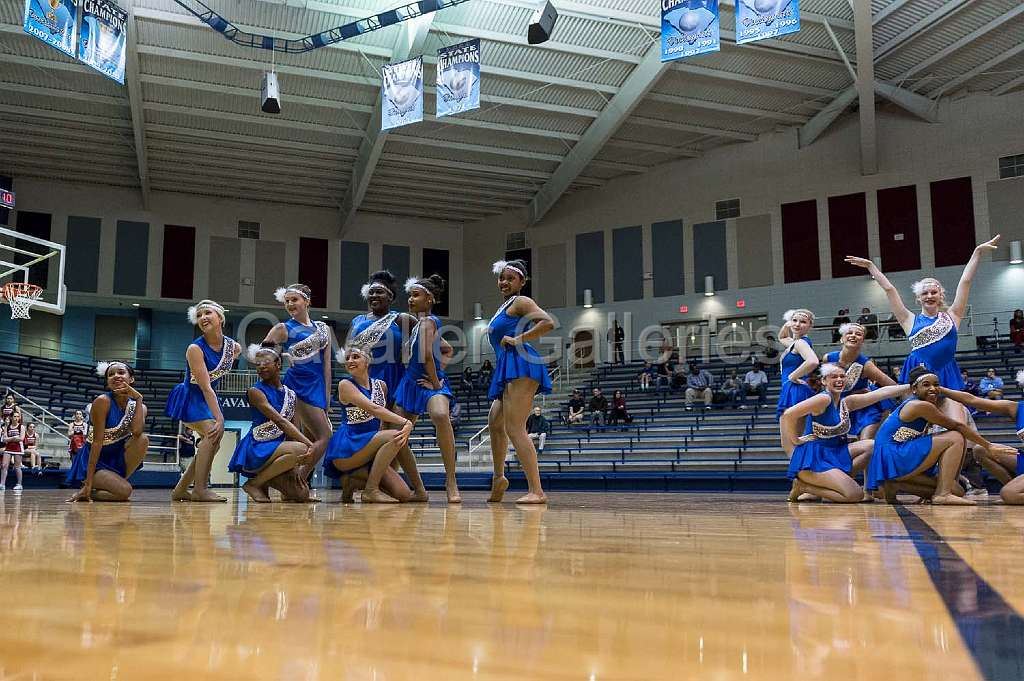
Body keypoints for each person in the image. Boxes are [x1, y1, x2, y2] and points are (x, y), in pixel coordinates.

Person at [845, 235, 999, 391]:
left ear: (941, 296)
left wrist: (977, 252)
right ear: (919, 298)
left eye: (934, 292)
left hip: (946, 370)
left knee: (954, 413)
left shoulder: (953, 316)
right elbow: (889, 289)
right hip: (918, 370)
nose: (930, 296)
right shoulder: (908, 319)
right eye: (925, 293)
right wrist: (871, 266)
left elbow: (965, 281)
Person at [865, 366, 1016, 505]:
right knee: (955, 436)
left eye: (936, 385)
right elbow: (957, 426)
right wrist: (988, 445)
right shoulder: (919, 405)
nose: (933, 388)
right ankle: (942, 494)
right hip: (893, 455)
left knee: (958, 491)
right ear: (914, 389)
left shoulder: (917, 404)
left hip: (892, 458)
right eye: (926, 385)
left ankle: (895, 484)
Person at [782, 364, 909, 503]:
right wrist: (795, 440)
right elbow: (788, 414)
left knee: (872, 446)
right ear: (824, 381)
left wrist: (911, 386)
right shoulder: (823, 399)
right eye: (834, 376)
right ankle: (804, 486)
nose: (839, 379)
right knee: (855, 495)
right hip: (815, 460)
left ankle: (834, 484)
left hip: (835, 454)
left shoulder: (847, 402)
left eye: (842, 376)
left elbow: (881, 393)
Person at [484, 260, 553, 504]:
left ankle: (537, 490)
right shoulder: (504, 306)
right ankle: (499, 477)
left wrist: (519, 339)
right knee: (495, 422)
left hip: (521, 363)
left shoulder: (521, 302)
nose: (504, 282)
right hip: (508, 366)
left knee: (515, 428)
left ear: (522, 282)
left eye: (510, 278)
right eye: (501, 278)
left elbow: (547, 322)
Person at [392, 274, 461, 503]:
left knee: (441, 414)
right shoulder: (418, 325)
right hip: (410, 382)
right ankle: (419, 489)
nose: (410, 300)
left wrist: (435, 379)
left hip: (429, 382)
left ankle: (451, 481)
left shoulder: (429, 321)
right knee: (396, 435)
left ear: (429, 299)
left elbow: (429, 356)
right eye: (409, 296)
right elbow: (448, 349)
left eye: (415, 295)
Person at [166, 299, 240, 503]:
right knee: (213, 433)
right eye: (199, 315)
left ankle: (181, 490)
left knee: (212, 444)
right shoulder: (194, 349)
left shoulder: (234, 348)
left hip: (207, 398)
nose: (203, 318)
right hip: (191, 397)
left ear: (220, 317)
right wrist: (220, 418)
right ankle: (200, 489)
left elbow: (216, 382)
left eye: (207, 313)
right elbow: (205, 386)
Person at [324, 345, 415, 503]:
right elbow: (374, 409)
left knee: (404, 494)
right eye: (347, 358)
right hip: (347, 449)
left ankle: (353, 479)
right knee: (396, 435)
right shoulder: (345, 385)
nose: (350, 361)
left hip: (369, 448)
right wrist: (405, 422)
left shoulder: (381, 386)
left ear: (367, 361)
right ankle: (370, 490)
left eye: (355, 357)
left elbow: (380, 422)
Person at [262, 283, 334, 482]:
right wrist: (279, 358)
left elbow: (327, 366)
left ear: (307, 301)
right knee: (325, 436)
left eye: (294, 300)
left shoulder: (323, 328)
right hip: (298, 385)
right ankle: (297, 481)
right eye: (287, 301)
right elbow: (263, 358)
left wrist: (327, 398)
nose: (290, 304)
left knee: (311, 439)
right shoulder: (283, 328)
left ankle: (294, 482)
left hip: (318, 387)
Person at [228, 344, 314, 503]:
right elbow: (280, 422)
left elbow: (292, 431)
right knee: (302, 448)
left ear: (278, 364)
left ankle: (267, 478)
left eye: (266, 362)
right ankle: (254, 483)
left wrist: (293, 468)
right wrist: (310, 444)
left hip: (279, 451)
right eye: (257, 363)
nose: (261, 366)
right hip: (257, 448)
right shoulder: (255, 391)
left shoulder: (291, 394)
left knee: (301, 494)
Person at [66, 361, 149, 502]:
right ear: (107, 382)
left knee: (143, 439)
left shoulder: (138, 406)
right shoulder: (102, 401)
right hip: (95, 461)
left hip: (116, 458)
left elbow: (136, 431)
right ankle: (88, 487)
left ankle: (109, 485)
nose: (116, 376)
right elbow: (96, 444)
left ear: (131, 378)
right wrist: (89, 481)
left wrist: (139, 399)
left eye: (121, 372)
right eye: (111, 374)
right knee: (125, 491)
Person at [938, 373, 1024, 504]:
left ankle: (1013, 494)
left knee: (1008, 494)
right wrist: (940, 388)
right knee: (980, 450)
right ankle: (1014, 490)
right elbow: (972, 400)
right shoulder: (1016, 407)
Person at [821, 322, 897, 440]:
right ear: (841, 339)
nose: (853, 335)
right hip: (837, 407)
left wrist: (872, 395)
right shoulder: (828, 358)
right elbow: (826, 385)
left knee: (866, 444)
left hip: (865, 408)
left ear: (862, 341)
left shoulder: (867, 365)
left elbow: (893, 386)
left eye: (858, 334)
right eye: (849, 333)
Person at [776, 309, 819, 422]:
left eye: (803, 322)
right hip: (791, 388)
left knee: (795, 434)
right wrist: (787, 324)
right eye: (794, 320)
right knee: (791, 433)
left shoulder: (801, 343)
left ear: (810, 326)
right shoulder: (794, 343)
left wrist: (792, 376)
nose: (797, 324)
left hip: (796, 388)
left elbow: (813, 361)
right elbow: (782, 337)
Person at [0, 410, 24, 491]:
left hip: (18, 448)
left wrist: (10, 439)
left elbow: (21, 438)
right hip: (9, 447)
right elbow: (4, 439)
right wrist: (13, 438)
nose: (16, 418)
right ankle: (2, 484)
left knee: (17, 467)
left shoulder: (21, 427)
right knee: (4, 465)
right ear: (11, 417)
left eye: (18, 416)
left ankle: (19, 484)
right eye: (14, 416)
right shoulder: (7, 426)